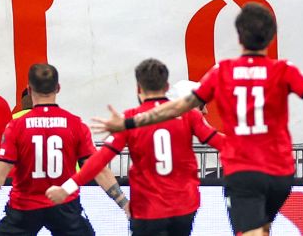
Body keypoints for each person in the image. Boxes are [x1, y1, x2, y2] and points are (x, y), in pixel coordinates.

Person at [92, 2, 303, 236]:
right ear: (271, 37)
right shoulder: (284, 70)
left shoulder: (221, 72)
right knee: (260, 228)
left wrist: (129, 123)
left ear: (238, 36)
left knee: (250, 231)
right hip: (281, 173)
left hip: (244, 172)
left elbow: (176, 108)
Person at [46, 58, 224, 235]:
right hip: (184, 206)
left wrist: (66, 188)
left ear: (139, 88)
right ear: (167, 87)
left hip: (148, 208)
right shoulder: (190, 117)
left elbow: (99, 161)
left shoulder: (130, 120)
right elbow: (220, 142)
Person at [0, 63, 128, 232]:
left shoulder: (16, 126)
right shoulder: (75, 124)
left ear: (29, 90)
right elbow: (99, 170)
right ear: (58, 88)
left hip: (23, 208)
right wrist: (126, 206)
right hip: (65, 207)